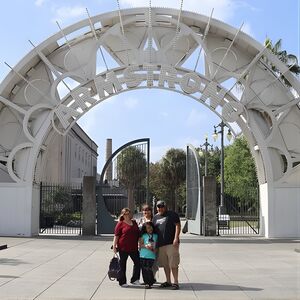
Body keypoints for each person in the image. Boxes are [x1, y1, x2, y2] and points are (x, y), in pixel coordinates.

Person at [152, 200, 181, 290]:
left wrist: (176, 238)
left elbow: (178, 225)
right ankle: (168, 281)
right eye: (158, 207)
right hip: (160, 245)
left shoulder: (172, 214)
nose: (160, 208)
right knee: (165, 265)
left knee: (173, 264)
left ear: (165, 206)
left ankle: (175, 282)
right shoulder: (155, 217)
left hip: (171, 244)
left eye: (162, 206)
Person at [112, 207, 141, 287]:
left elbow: (138, 234)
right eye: (126, 213)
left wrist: (140, 243)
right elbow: (116, 236)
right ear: (123, 215)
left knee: (138, 263)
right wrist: (114, 246)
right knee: (122, 264)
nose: (128, 215)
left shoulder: (134, 222)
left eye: (129, 213)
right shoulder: (120, 223)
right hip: (123, 248)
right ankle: (122, 281)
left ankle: (135, 279)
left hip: (134, 247)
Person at [139, 222, 158, 289]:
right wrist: (146, 246)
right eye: (148, 228)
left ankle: (150, 281)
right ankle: (147, 282)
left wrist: (154, 249)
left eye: (151, 227)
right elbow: (140, 245)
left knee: (149, 269)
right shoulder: (144, 235)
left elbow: (157, 246)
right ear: (145, 229)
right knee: (144, 269)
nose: (150, 229)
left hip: (151, 255)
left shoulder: (156, 236)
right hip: (143, 255)